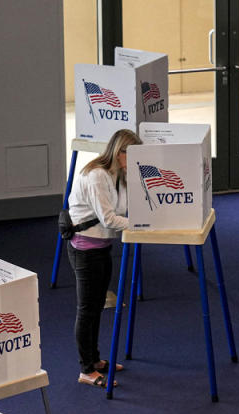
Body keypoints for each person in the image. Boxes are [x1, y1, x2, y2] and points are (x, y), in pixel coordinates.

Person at [66, 128, 140, 388]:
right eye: (131, 155)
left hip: (102, 246)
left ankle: (95, 360)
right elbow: (109, 218)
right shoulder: (97, 175)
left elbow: (125, 209)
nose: (134, 161)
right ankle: (86, 369)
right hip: (85, 249)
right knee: (87, 309)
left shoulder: (119, 175)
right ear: (119, 153)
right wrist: (143, 224)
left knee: (97, 305)